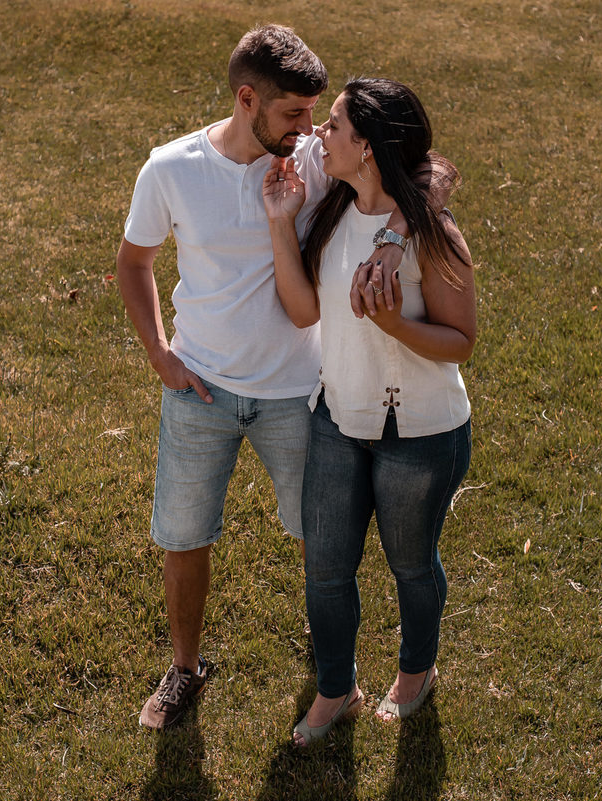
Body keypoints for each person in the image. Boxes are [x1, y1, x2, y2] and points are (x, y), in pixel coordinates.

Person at [117, 26, 451, 730]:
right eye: (294, 113)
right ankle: (184, 670)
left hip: (300, 395)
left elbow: (430, 170)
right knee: (184, 538)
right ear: (247, 99)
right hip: (198, 390)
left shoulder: (317, 159)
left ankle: (335, 674)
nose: (307, 129)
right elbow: (134, 260)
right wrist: (158, 353)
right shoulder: (171, 168)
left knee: (320, 544)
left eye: (315, 116)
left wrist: (393, 238)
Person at [261, 77, 475, 747]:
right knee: (324, 565)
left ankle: (416, 671)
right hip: (337, 420)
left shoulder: (433, 234)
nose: (318, 135)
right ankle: (335, 687)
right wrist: (278, 221)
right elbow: (303, 312)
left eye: (332, 125)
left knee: (411, 563)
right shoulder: (329, 209)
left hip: (424, 432)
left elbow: (462, 340)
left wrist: (394, 325)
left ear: (369, 147)